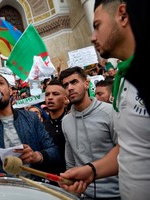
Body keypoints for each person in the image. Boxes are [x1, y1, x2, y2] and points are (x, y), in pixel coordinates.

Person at [59, 1, 150, 199]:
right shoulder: (124, 80)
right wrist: (91, 170)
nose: (92, 37)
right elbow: (129, 148)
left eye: (97, 25)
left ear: (123, 16)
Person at [0, 72, 59, 178]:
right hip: (4, 189)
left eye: (0, 83)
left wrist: (37, 156)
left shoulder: (31, 118)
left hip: (34, 185)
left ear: (10, 90)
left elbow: (54, 151)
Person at [59, 66, 120, 199]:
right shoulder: (66, 121)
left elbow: (123, 151)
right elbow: (70, 161)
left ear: (86, 83)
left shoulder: (110, 112)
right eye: (65, 85)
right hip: (84, 195)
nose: (69, 88)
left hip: (116, 194)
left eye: (74, 82)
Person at [42, 79, 69, 185]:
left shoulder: (73, 123)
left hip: (72, 180)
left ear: (66, 99)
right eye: (47, 94)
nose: (50, 97)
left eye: (55, 94)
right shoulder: (41, 127)